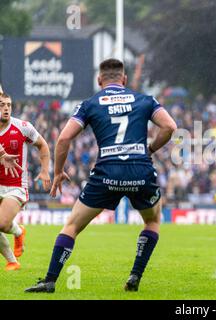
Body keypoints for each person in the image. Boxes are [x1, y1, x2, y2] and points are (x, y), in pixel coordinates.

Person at [25, 58, 177, 293]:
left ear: (99, 80)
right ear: (124, 79)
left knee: (73, 225)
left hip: (107, 173)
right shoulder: (145, 100)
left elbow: (64, 138)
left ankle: (50, 280)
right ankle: (135, 275)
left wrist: (57, 172)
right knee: (153, 220)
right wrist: (151, 149)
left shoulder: (91, 104)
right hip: (140, 170)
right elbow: (169, 127)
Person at [0, 92, 51, 271]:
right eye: (1, 105)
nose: (6, 108)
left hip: (15, 186)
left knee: (1, 223)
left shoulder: (22, 127)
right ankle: (12, 261)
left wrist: (45, 170)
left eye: (8, 105)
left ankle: (18, 231)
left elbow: (43, 145)